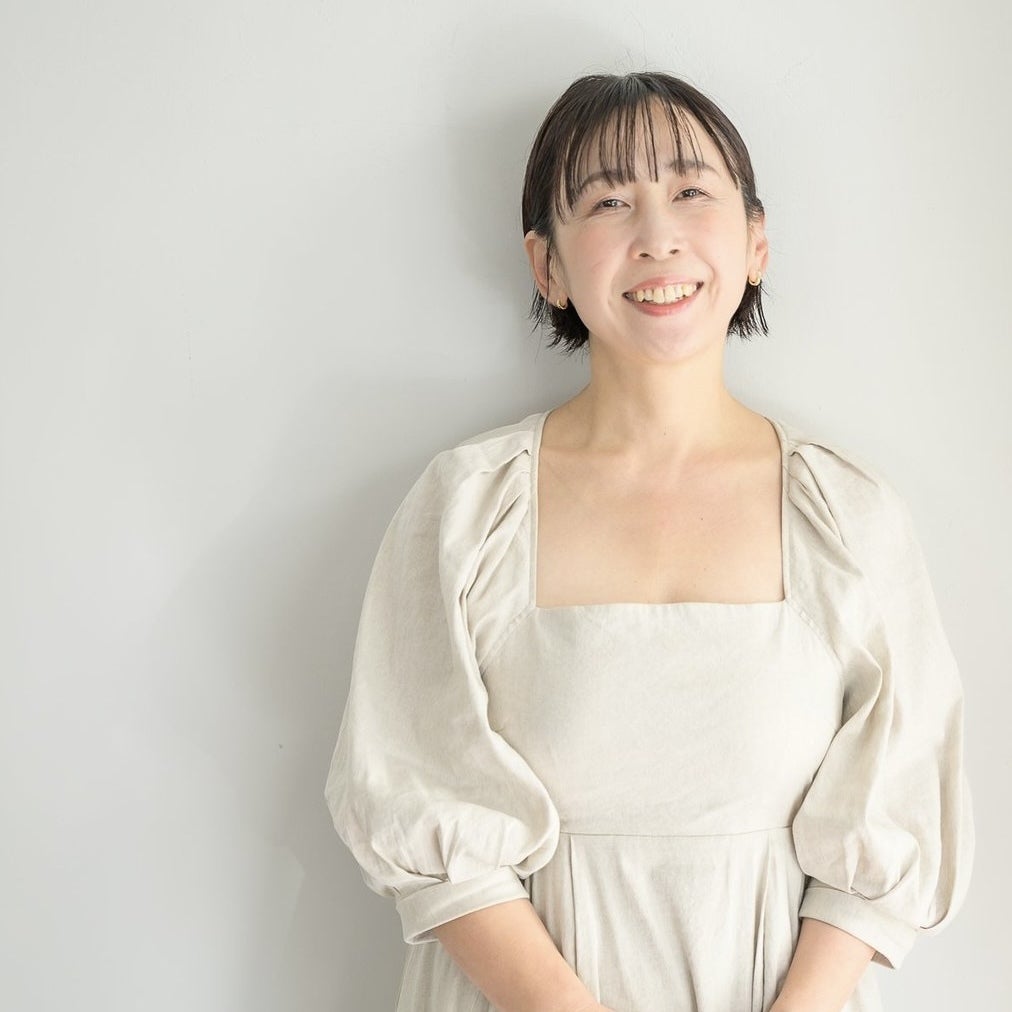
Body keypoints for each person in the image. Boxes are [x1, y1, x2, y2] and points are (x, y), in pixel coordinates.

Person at [324, 72, 973, 1012]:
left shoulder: (847, 514)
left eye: (691, 191)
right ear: (547, 266)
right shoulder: (468, 507)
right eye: (608, 201)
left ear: (756, 242)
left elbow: (896, 818)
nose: (657, 235)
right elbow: (416, 795)